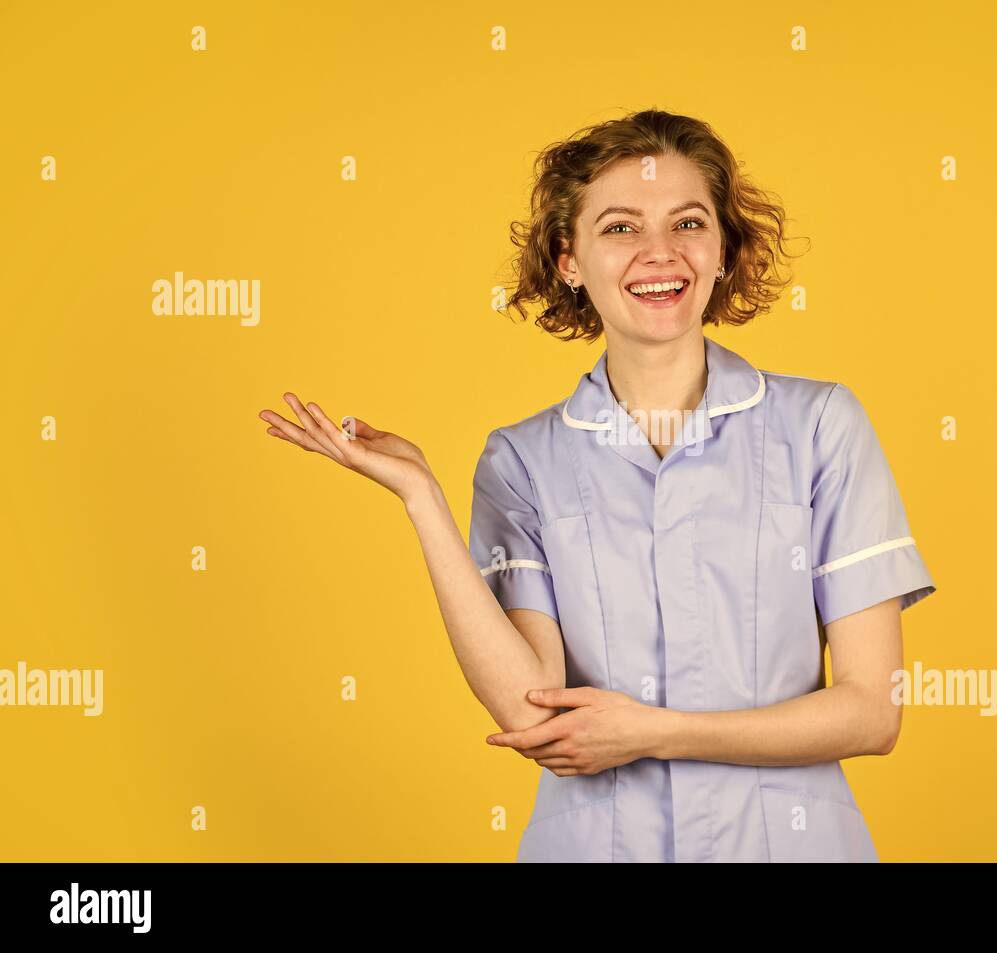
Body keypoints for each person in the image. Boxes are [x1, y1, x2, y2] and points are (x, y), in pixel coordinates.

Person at [257, 109, 936, 862]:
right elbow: (530, 709)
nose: (659, 253)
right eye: (619, 227)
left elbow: (873, 712)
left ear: (723, 249)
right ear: (568, 259)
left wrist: (656, 731)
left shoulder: (820, 427)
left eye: (688, 223)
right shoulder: (522, 460)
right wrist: (422, 499)